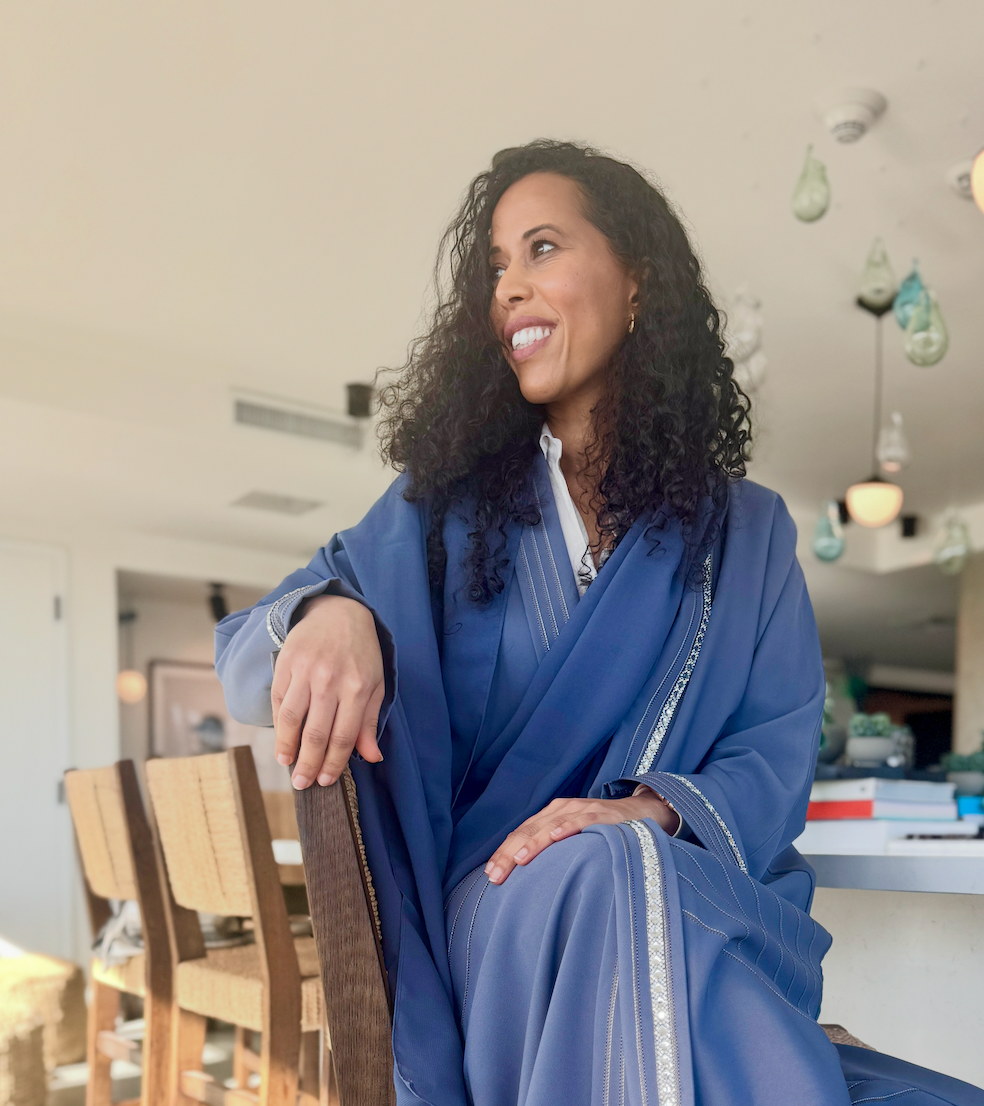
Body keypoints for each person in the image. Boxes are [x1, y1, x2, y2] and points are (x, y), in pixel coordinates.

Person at [215, 141, 983, 1106]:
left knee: (622, 867)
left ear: (636, 284)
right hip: (494, 917)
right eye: (495, 267)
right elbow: (247, 664)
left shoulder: (746, 533)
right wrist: (327, 615)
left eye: (541, 248)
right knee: (596, 876)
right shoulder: (438, 511)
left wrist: (645, 810)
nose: (508, 289)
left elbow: (775, 755)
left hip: (684, 893)